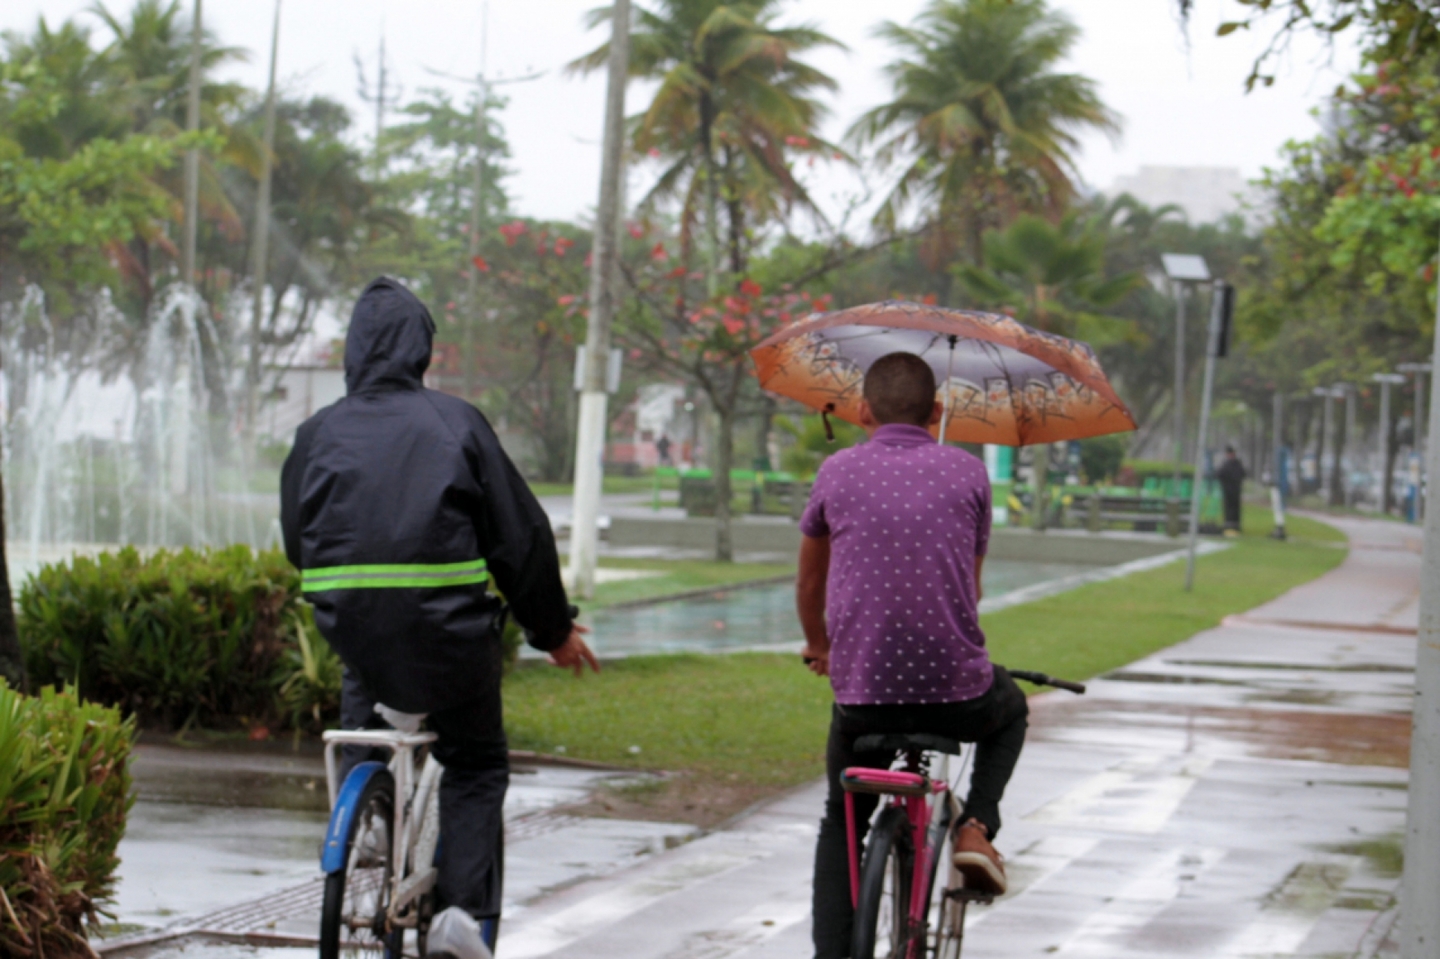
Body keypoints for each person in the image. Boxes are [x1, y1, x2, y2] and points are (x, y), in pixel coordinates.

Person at [280, 277, 598, 959]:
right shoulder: (457, 423)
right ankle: (460, 912)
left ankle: (367, 806)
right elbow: (521, 539)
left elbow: (294, 541)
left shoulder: (315, 433)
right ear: (421, 348)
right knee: (476, 762)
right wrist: (553, 630)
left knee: (364, 669)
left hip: (355, 625)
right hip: (451, 637)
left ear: (353, 351)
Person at [797, 351, 1028, 959]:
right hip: (958, 695)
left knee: (840, 820)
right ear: (939, 411)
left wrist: (820, 646)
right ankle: (977, 826)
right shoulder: (969, 472)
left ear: (864, 411)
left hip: (863, 700)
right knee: (1013, 709)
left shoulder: (837, 470)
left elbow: (809, 587)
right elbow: (970, 591)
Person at [1217, 445, 1246, 533]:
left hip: (1235, 490)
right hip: (1227, 490)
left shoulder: (1237, 464)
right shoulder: (1226, 464)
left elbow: (1242, 474)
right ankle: (1229, 524)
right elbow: (1219, 474)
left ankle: (1235, 525)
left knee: (1235, 508)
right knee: (1228, 508)